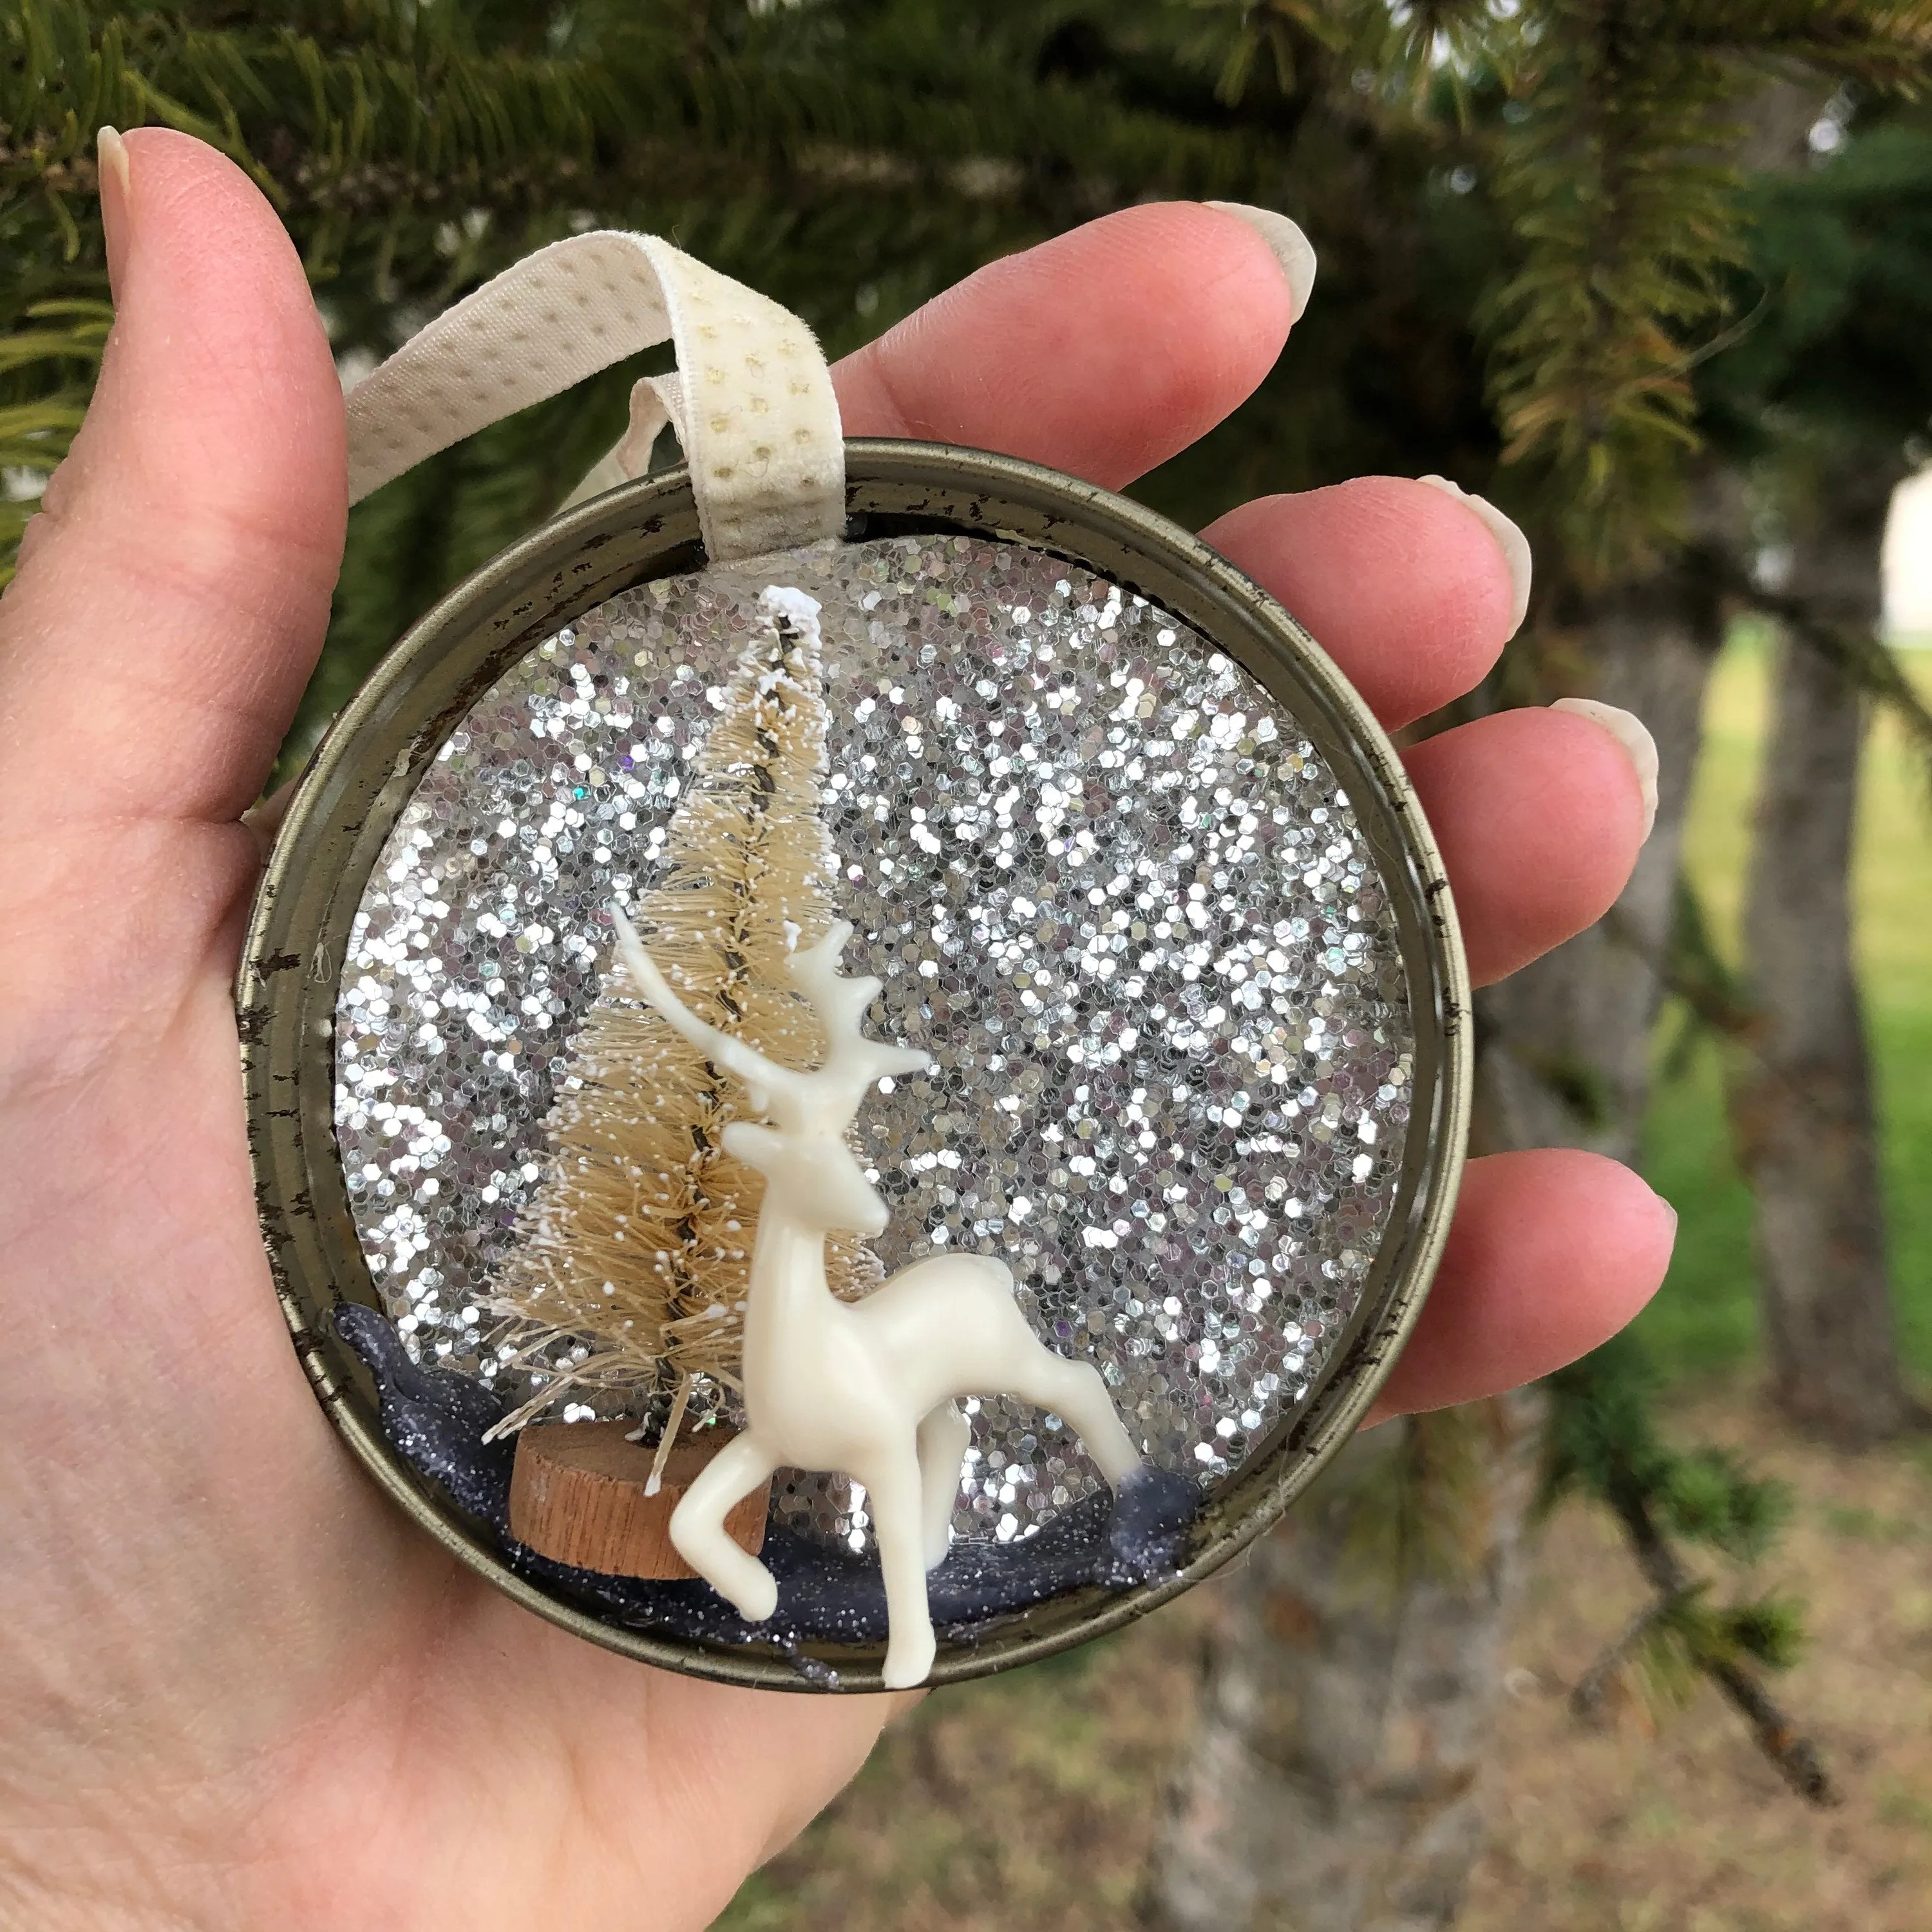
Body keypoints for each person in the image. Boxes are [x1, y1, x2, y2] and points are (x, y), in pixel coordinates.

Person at [0, 129, 1675, 1929]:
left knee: (951, 1357)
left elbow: (824, 1165)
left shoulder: (818, 1149)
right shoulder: (752, 1149)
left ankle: (1034, 1491)